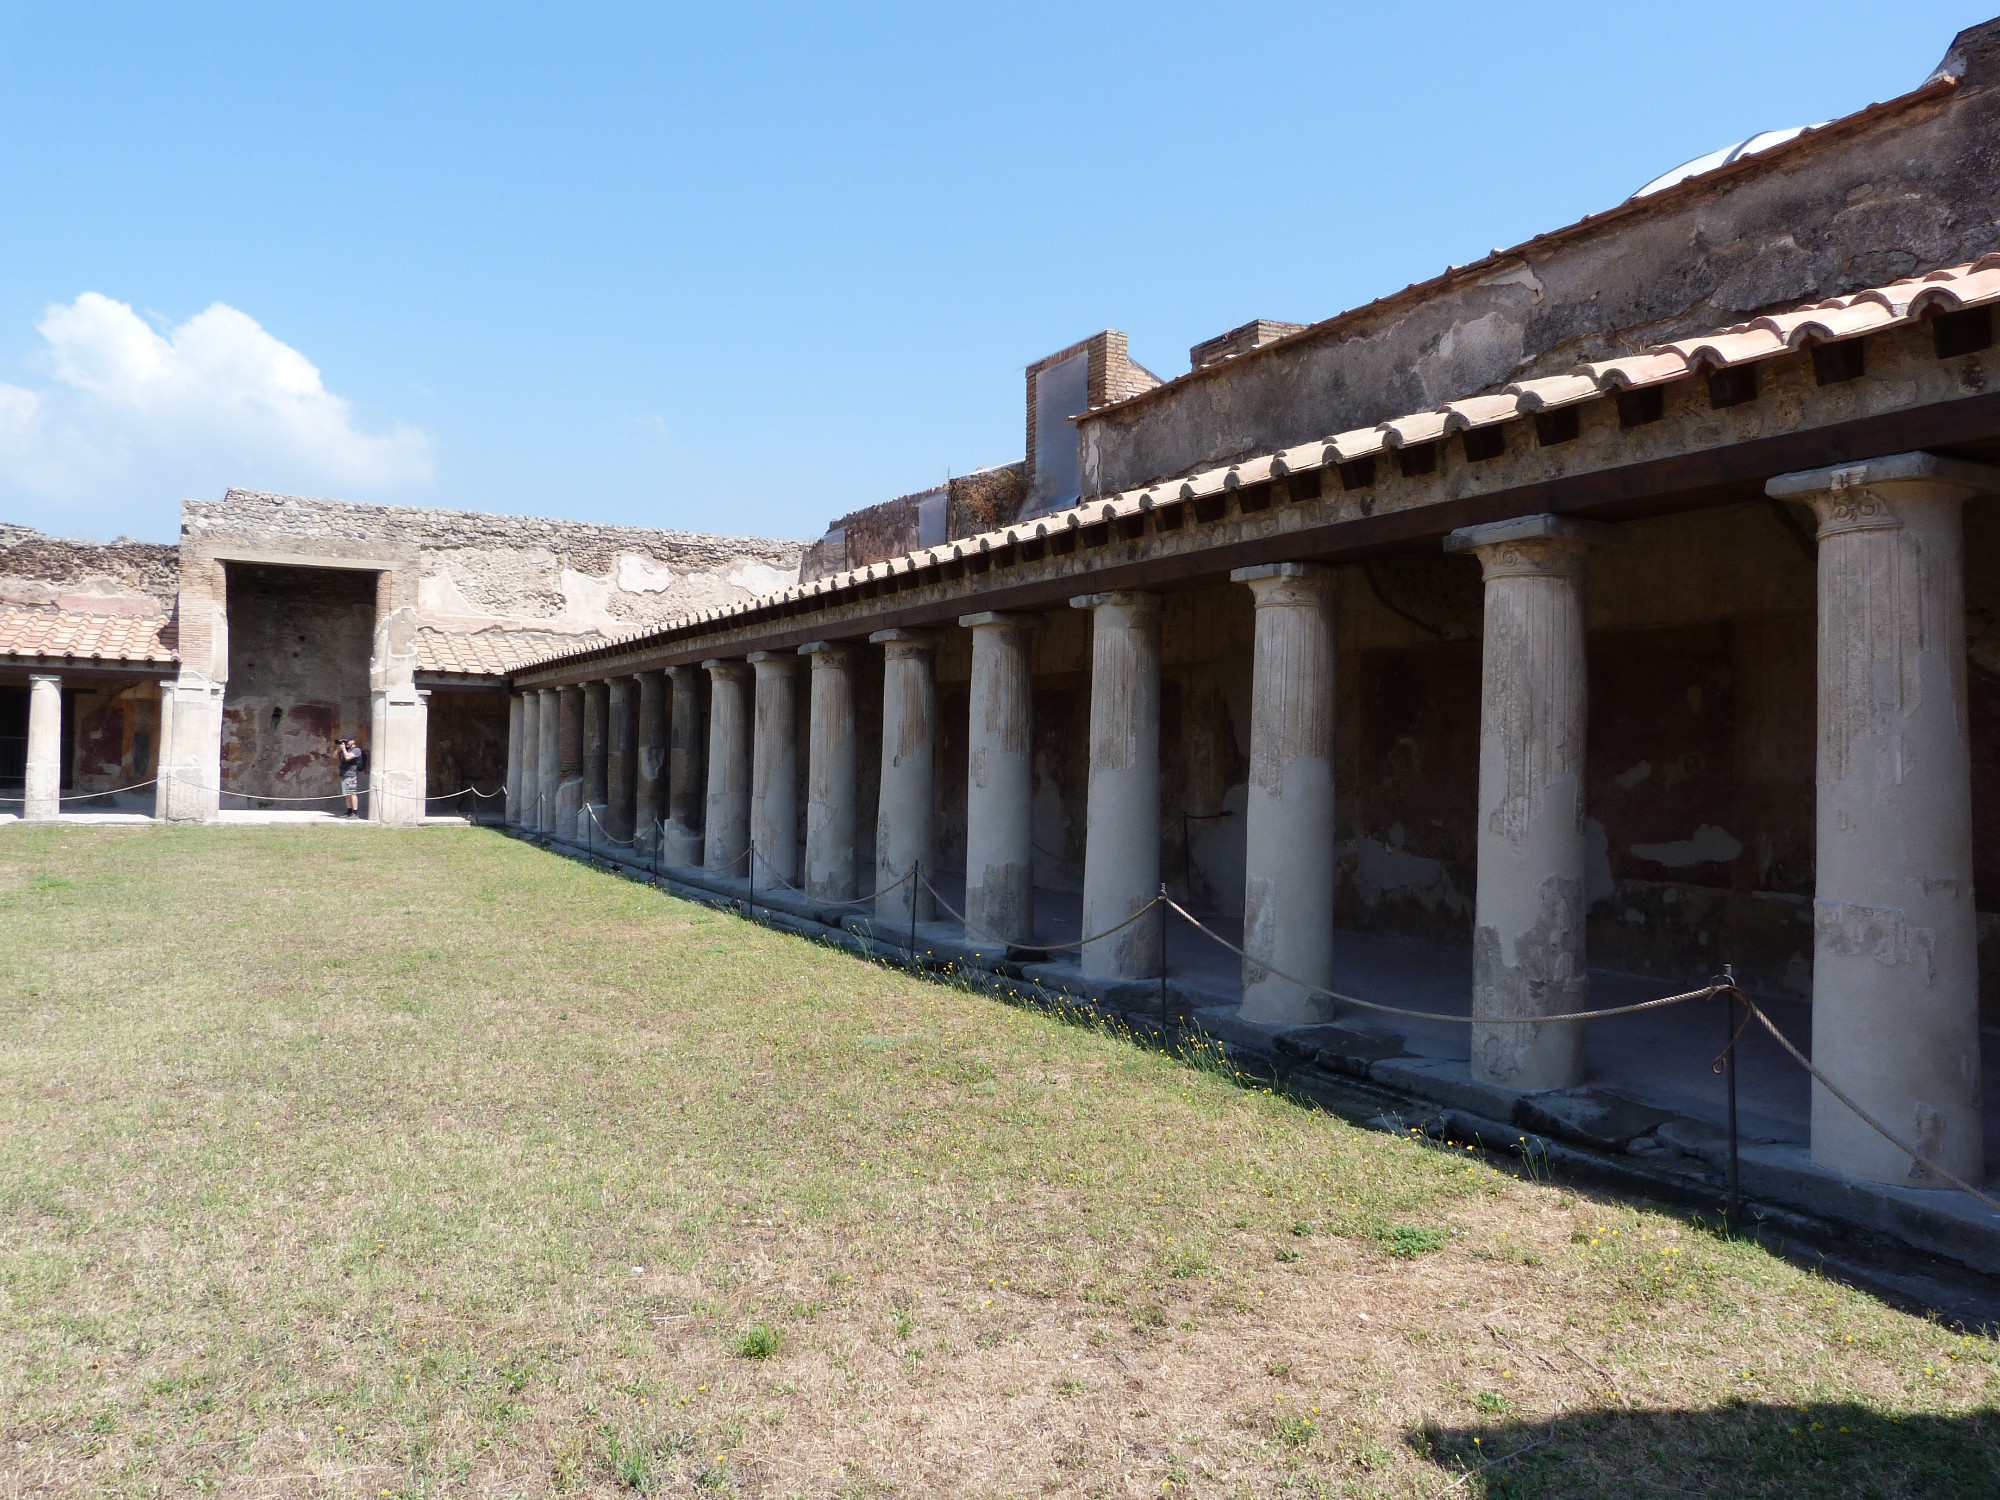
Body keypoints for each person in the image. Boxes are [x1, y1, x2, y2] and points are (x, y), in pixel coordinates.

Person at [335, 735, 367, 819]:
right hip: (344, 774)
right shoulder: (345, 749)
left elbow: (348, 757)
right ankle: (349, 812)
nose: (346, 743)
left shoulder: (356, 750)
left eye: (347, 741)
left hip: (351, 775)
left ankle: (355, 813)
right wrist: (339, 748)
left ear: (352, 741)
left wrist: (344, 749)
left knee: (352, 793)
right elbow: (334, 756)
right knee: (347, 794)